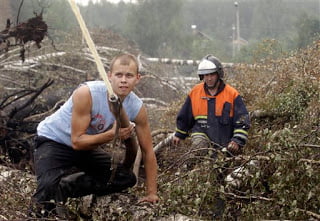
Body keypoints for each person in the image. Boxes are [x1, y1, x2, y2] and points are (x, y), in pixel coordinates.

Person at [30, 53, 159, 218]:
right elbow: (76, 141)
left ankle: (65, 187)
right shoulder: (87, 93)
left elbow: (148, 152)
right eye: (119, 75)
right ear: (109, 76)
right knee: (47, 188)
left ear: (137, 78)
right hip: (54, 141)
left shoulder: (137, 107)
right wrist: (111, 135)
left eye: (129, 75)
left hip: (86, 146)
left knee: (125, 178)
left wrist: (152, 193)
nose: (124, 80)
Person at [172, 54, 250, 155]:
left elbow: (242, 120)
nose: (209, 78)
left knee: (226, 163)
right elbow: (185, 115)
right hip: (201, 133)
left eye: (212, 75)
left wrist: (237, 141)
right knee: (199, 147)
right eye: (206, 75)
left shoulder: (232, 94)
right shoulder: (195, 92)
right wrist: (179, 134)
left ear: (218, 74)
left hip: (225, 141)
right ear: (202, 76)